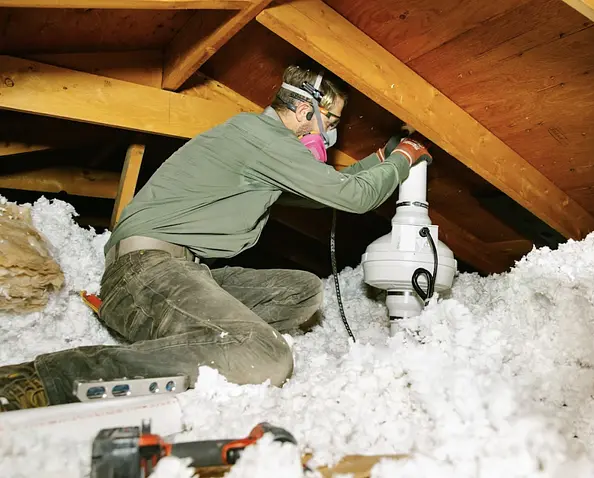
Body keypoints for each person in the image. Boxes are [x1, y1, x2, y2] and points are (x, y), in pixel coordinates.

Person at [0, 64, 432, 411]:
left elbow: (320, 197)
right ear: (306, 112)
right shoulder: (262, 140)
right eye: (331, 121)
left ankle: (187, 340)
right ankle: (45, 378)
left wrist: (380, 160)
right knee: (265, 356)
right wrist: (403, 158)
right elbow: (353, 198)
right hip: (144, 272)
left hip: (180, 271)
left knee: (301, 291)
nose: (330, 133)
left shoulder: (258, 143)